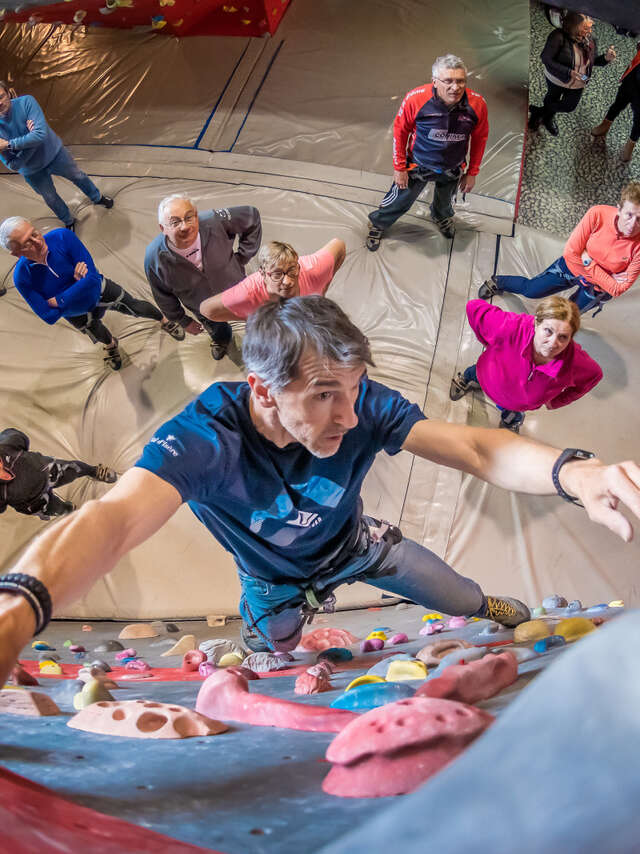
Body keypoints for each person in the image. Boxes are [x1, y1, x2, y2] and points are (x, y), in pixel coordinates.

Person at [1, 296, 639, 682]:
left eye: (354, 389)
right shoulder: (206, 436)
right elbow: (113, 520)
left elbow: (472, 446)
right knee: (275, 644)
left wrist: (571, 470)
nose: (351, 418)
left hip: (357, 544)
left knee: (461, 594)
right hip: (271, 580)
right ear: (261, 389)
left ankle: (483, 606)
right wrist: (21, 603)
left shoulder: (363, 406)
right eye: (324, 396)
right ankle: (266, 642)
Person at [0, 216, 180, 371]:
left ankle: (164, 320)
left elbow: (92, 278)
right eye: (27, 243)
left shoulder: (62, 236)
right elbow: (48, 316)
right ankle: (111, 344)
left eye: (34, 233)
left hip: (97, 292)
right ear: (15, 254)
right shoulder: (22, 277)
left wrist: (60, 299)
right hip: (78, 311)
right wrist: (78, 284)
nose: (38, 242)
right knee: (98, 332)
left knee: (135, 306)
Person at [366, 54, 488, 246]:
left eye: (460, 81)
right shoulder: (416, 99)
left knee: (445, 202)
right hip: (418, 164)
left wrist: (472, 172)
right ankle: (378, 223)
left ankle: (441, 216)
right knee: (399, 201)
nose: (455, 87)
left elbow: (480, 138)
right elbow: (400, 131)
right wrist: (399, 168)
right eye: (448, 81)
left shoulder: (477, 104)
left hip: (453, 166)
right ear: (434, 81)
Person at [479, 181, 640, 315]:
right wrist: (603, 276)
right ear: (619, 209)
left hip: (596, 288)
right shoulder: (597, 214)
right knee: (532, 290)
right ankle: (498, 282)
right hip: (572, 269)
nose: (632, 225)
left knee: (567, 316)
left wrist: (587, 261)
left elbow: (618, 289)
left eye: (639, 219)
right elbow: (570, 253)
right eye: (629, 215)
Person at [449, 296, 602, 432]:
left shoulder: (576, 362)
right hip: (486, 377)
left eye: (563, 337)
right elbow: (474, 307)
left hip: (516, 404)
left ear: (571, 337)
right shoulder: (511, 327)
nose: (553, 343)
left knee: (512, 414)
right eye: (548, 331)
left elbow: (594, 376)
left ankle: (510, 419)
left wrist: (555, 402)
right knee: (475, 373)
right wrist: (489, 344)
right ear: (536, 323)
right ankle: (467, 378)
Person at [144, 195, 262, 360]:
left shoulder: (214, 221)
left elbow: (251, 216)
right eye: (175, 222)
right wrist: (183, 321)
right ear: (162, 228)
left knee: (255, 318)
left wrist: (242, 257)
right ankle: (222, 340)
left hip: (237, 290)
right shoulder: (154, 259)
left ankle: (260, 340)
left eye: (189, 218)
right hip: (203, 308)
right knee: (216, 328)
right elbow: (162, 295)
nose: (185, 226)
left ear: (197, 216)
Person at [0, 81, 113, 229]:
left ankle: (97, 197)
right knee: (50, 198)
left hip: (55, 154)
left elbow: (40, 135)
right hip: (33, 171)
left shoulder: (27, 102)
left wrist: (9, 145)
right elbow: (13, 164)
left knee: (78, 176)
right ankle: (68, 221)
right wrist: (30, 138)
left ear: (8, 93)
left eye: (1, 96)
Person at [199, 238, 345, 322]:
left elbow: (339, 245)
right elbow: (207, 310)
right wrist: (250, 318)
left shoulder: (313, 269)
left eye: (292, 270)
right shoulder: (248, 292)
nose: (288, 281)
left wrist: (323, 287)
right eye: (277, 274)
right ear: (262, 274)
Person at [528, 13, 616, 136]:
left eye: (590, 27)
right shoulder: (557, 37)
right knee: (552, 97)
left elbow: (593, 61)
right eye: (585, 28)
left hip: (579, 81)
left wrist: (606, 58)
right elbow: (546, 59)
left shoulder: (590, 39)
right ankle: (548, 118)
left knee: (569, 106)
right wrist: (569, 72)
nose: (590, 31)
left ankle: (539, 112)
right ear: (574, 27)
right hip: (557, 78)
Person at [0, 428, 117, 519]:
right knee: (58, 509)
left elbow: (17, 436)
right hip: (35, 503)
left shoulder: (6, 446)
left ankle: (93, 471)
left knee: (74, 469)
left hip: (50, 471)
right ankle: (70, 511)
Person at [592, 40, 640, 162]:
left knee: (639, 119)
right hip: (633, 76)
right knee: (619, 102)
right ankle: (605, 125)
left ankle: (630, 144)